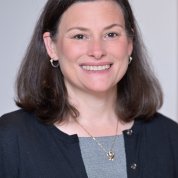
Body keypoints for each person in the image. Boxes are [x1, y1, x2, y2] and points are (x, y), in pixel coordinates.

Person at [0, 0, 178, 177]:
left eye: (111, 34)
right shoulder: (10, 138)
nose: (97, 51)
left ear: (130, 43)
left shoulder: (170, 137)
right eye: (79, 36)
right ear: (51, 46)